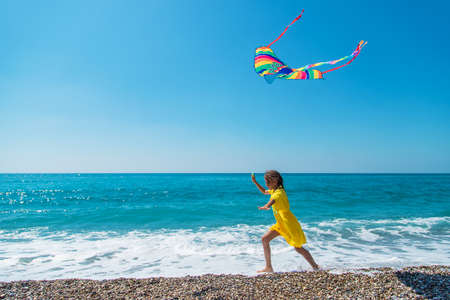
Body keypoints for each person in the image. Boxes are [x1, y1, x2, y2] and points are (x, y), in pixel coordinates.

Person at [252, 170, 319, 272]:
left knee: (298, 248)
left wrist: (266, 206)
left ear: (274, 181)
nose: (266, 184)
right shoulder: (274, 190)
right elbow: (264, 191)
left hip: (289, 224)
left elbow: (273, 200)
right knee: (265, 239)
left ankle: (315, 267)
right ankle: (268, 267)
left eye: (267, 181)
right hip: (281, 224)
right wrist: (255, 182)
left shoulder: (279, 193)